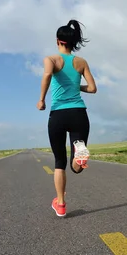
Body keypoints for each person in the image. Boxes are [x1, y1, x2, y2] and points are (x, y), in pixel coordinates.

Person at [37, 19, 97, 217]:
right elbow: (92, 88)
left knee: (59, 162)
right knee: (76, 167)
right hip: (79, 113)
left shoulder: (51, 60)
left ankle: (61, 204)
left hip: (59, 114)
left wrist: (41, 100)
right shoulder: (81, 62)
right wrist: (76, 86)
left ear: (58, 41)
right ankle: (79, 154)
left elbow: (47, 76)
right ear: (72, 42)